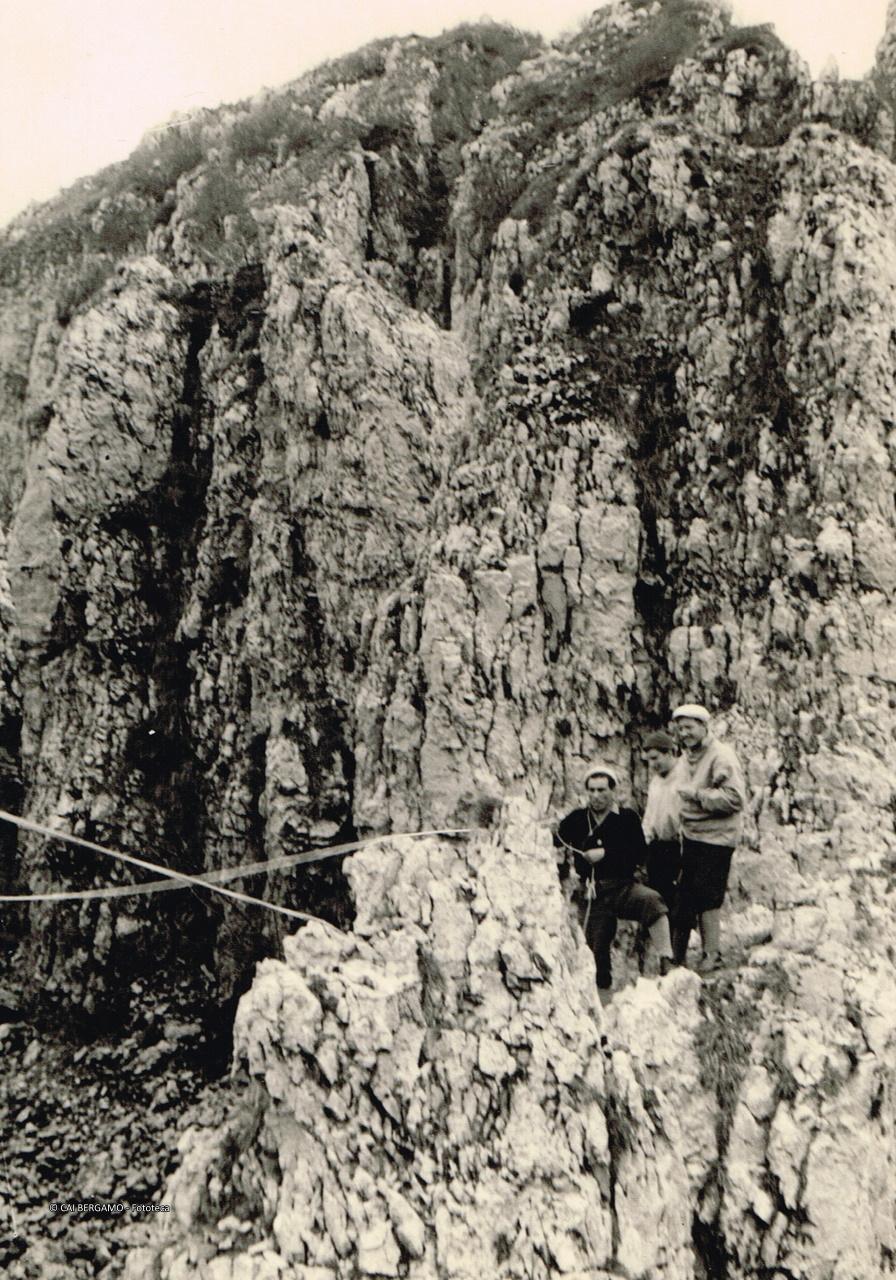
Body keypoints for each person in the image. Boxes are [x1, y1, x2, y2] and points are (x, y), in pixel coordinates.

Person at [556, 763, 673, 1001]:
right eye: (592, 791)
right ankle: (603, 1004)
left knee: (652, 902)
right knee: (595, 949)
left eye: (602, 790)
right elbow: (556, 838)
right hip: (593, 893)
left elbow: (640, 853)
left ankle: (666, 960)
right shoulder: (577, 819)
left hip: (622, 887)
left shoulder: (627, 818)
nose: (596, 796)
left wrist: (606, 854)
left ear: (613, 791)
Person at [669, 704, 746, 973]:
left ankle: (712, 954)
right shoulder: (685, 757)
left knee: (707, 895)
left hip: (717, 837)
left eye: (689, 727)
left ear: (704, 726)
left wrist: (699, 795)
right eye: (680, 728)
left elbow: (735, 799)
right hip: (691, 835)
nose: (684, 733)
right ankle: (676, 959)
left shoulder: (721, 756)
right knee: (684, 896)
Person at [641, 730, 682, 911]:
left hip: (679, 848)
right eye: (649, 760)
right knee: (658, 900)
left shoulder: (684, 777)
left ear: (669, 753)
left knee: (679, 900)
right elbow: (650, 816)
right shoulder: (655, 782)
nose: (652, 764)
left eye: (656, 758)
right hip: (657, 849)